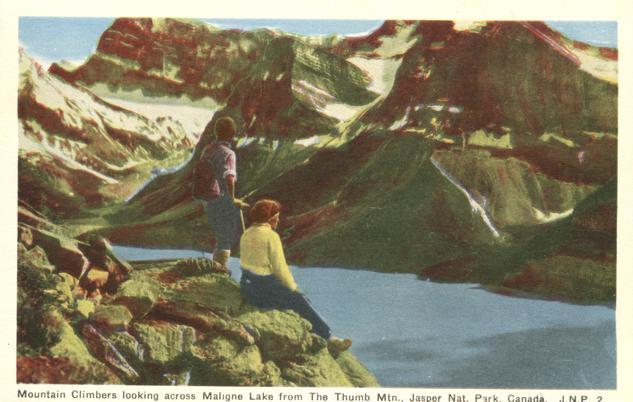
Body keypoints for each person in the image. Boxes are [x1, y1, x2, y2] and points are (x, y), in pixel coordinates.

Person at [239, 199, 352, 353]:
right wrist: (294, 288)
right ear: (269, 218)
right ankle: (329, 338)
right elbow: (280, 269)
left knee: (294, 301)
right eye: (276, 217)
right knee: (301, 301)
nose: (278, 220)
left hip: (247, 286)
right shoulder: (271, 236)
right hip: (264, 286)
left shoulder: (247, 233)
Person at [195, 116, 249, 273]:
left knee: (220, 235)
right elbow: (229, 178)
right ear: (232, 134)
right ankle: (221, 269)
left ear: (216, 132)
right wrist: (232, 199)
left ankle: (216, 268)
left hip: (207, 198)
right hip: (220, 198)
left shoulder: (207, 149)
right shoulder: (228, 153)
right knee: (226, 237)